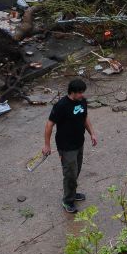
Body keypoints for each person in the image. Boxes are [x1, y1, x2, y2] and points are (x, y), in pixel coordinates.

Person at [42, 79, 97, 213]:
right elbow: (49, 124)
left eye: (82, 93)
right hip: (66, 146)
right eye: (79, 93)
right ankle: (67, 201)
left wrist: (92, 134)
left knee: (76, 170)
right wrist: (47, 145)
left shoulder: (82, 101)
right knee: (70, 174)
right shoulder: (61, 106)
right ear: (72, 92)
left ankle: (72, 193)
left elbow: (85, 118)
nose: (82, 95)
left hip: (79, 142)